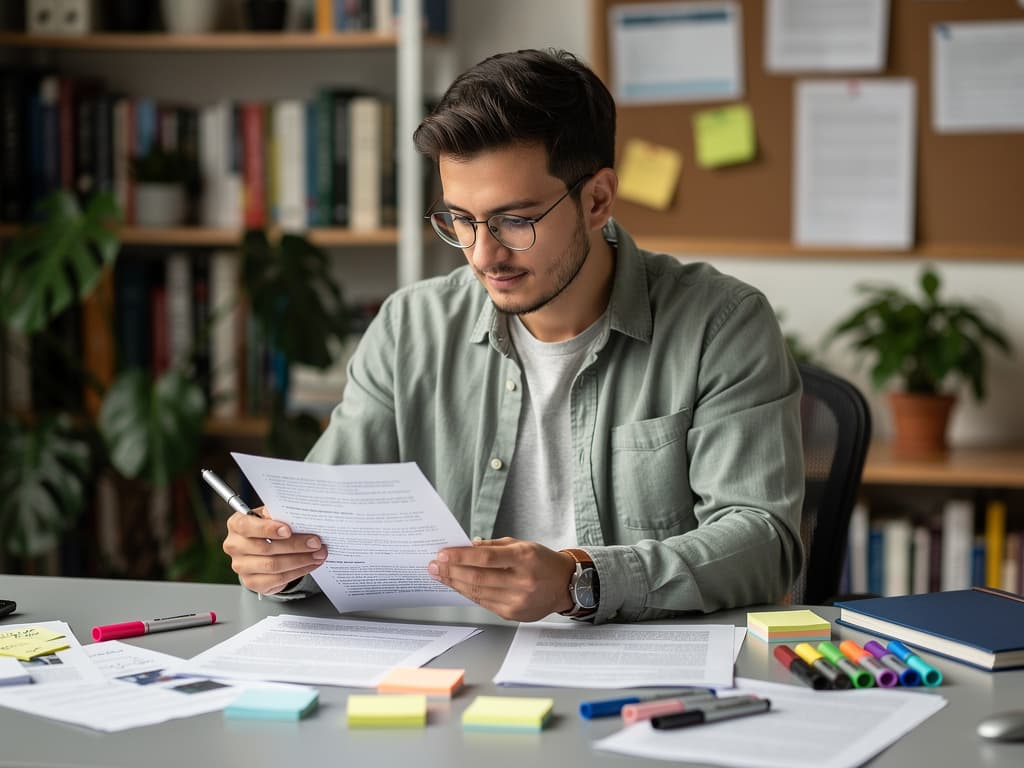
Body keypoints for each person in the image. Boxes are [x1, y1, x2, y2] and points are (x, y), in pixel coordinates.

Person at [222, 48, 804, 624]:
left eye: (514, 221)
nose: (484, 254)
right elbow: (325, 521)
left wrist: (579, 580)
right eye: (461, 220)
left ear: (597, 199)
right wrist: (282, 558)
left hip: (644, 677)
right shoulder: (410, 328)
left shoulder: (721, 325)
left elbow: (763, 541)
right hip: (450, 676)